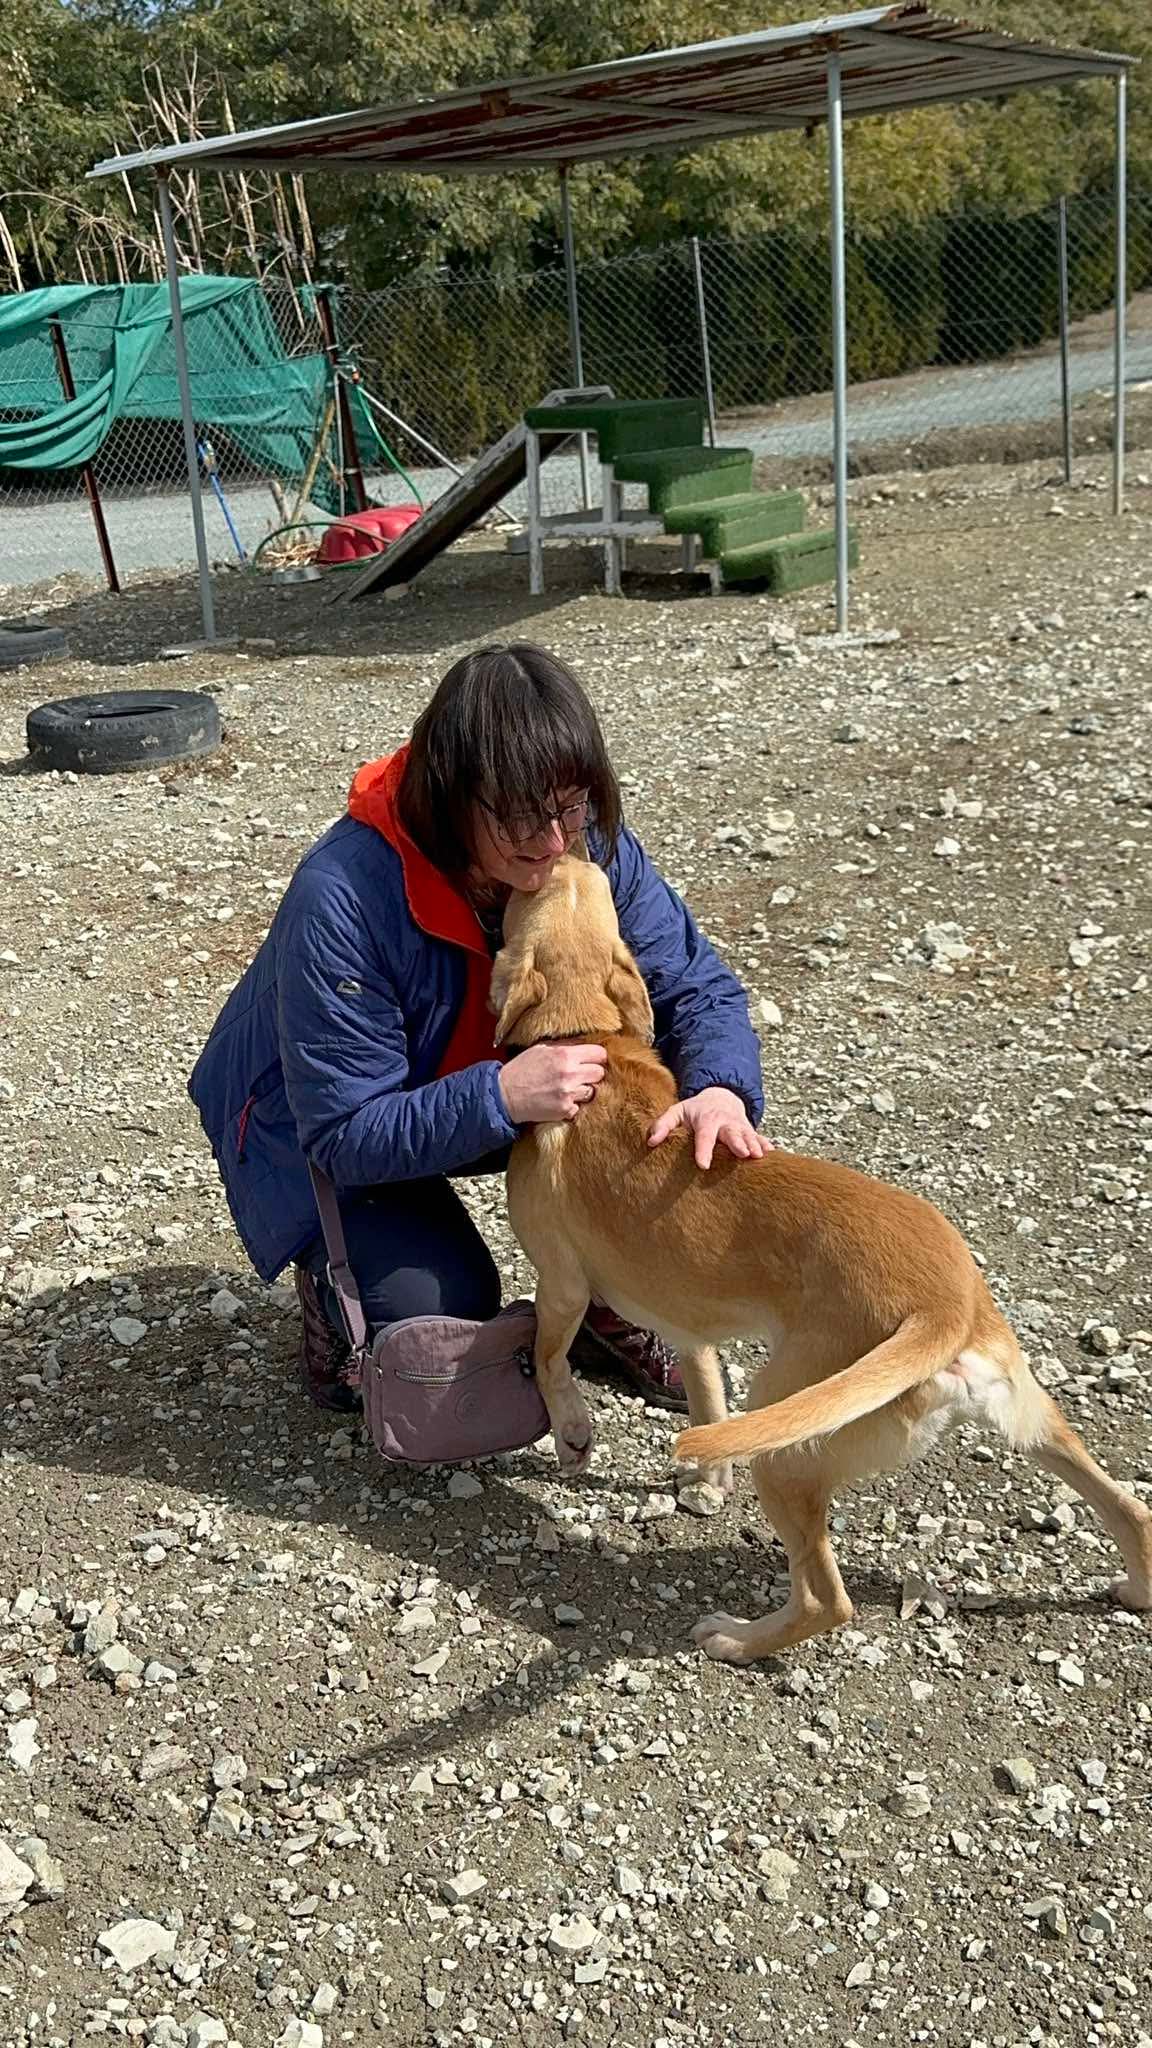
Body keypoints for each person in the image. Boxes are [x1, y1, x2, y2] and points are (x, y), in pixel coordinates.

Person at [188, 642, 768, 1426]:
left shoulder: (586, 842)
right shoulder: (344, 894)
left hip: (498, 1085)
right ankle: (333, 1287)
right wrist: (500, 1095)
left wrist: (721, 1090)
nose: (554, 839)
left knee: (666, 1133)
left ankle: (602, 1301)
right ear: (452, 793)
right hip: (322, 1126)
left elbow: (695, 988)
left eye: (571, 806)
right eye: (521, 812)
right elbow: (344, 1130)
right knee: (438, 1308)